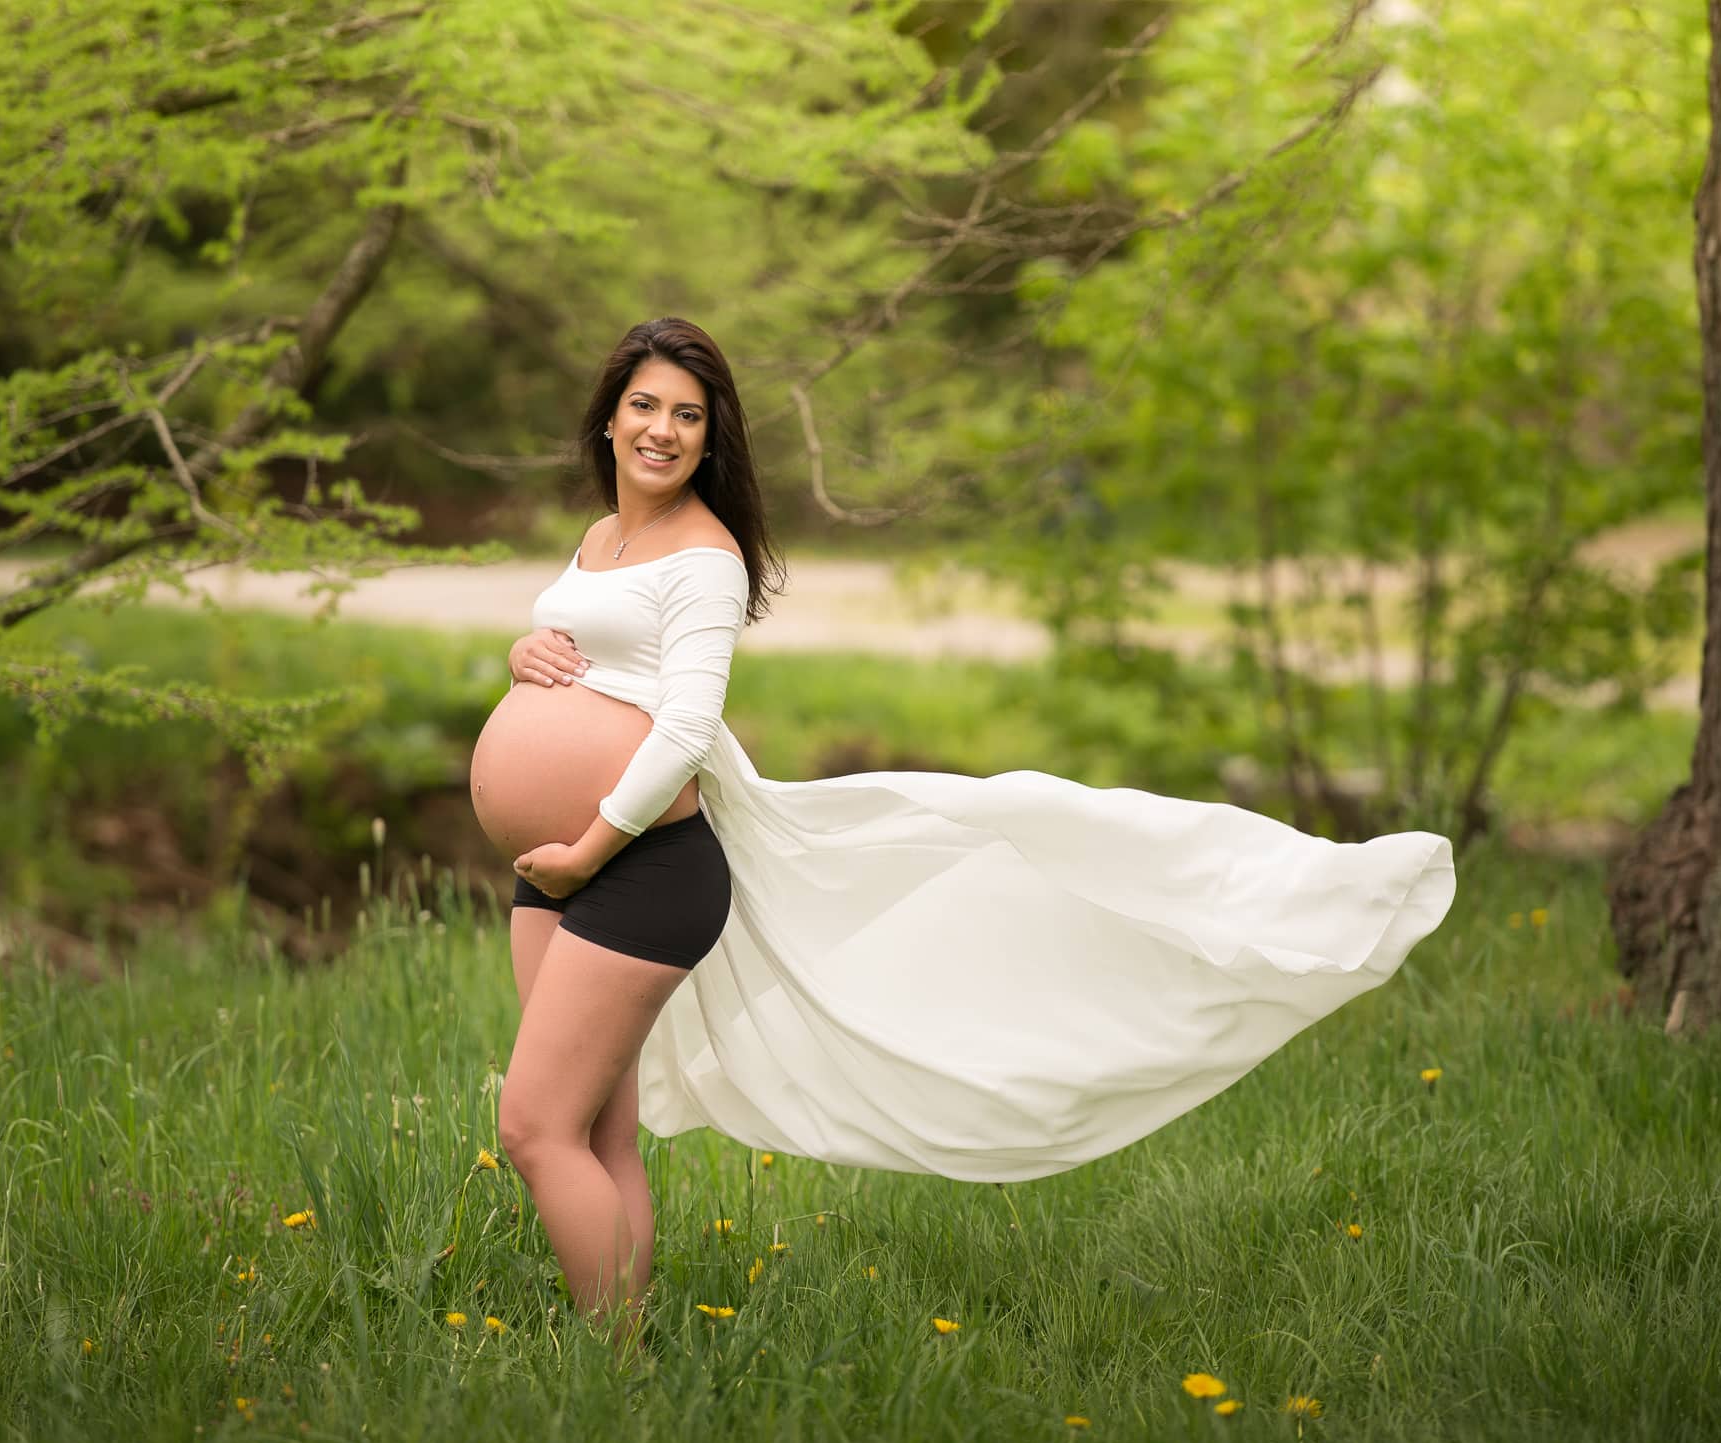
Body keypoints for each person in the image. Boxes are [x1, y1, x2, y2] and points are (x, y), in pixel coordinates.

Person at [474, 316, 1457, 1343]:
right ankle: (624, 1351)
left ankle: (611, 1368)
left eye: (687, 414)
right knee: (597, 1125)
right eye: (645, 406)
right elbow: (599, 659)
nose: (662, 430)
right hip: (555, 868)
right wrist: (524, 656)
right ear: (608, 416)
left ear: (711, 438)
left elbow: (681, 723)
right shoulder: (599, 540)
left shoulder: (707, 556)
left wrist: (590, 843)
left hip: (633, 866)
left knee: (534, 1126)